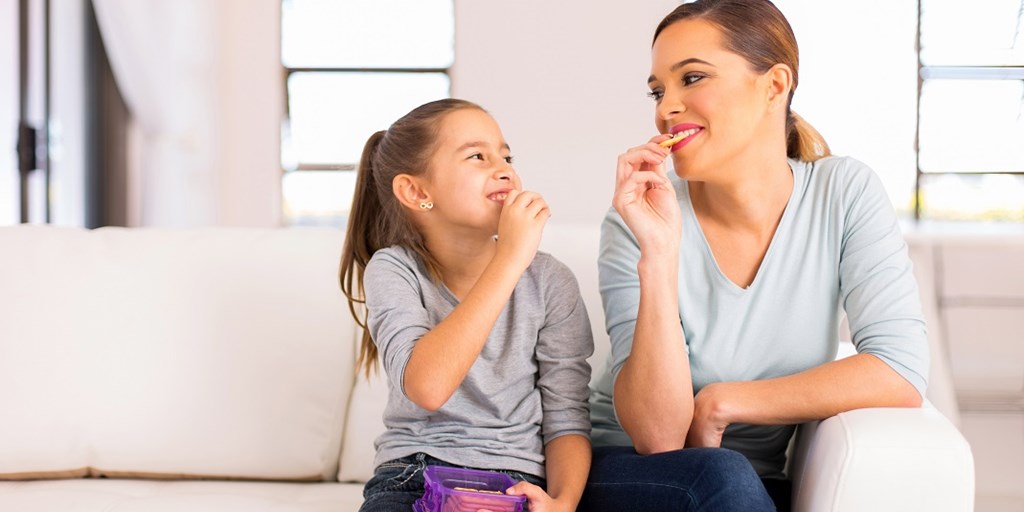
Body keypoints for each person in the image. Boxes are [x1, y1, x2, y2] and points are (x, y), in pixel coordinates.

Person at [580, 1, 930, 511]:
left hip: (748, 489)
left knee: (730, 478)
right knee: (721, 475)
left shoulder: (844, 193)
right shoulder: (638, 218)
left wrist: (724, 402)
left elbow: (898, 368)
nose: (665, 108)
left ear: (774, 84)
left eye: (692, 78)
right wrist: (659, 254)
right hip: (628, 473)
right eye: (658, 90)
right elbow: (657, 437)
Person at [339, 98, 594, 512]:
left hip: (515, 484)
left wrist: (562, 504)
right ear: (416, 191)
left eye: (506, 155)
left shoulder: (549, 281)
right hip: (413, 477)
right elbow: (429, 387)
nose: (504, 168)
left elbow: (566, 417)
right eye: (477, 155)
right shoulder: (394, 269)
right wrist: (510, 259)